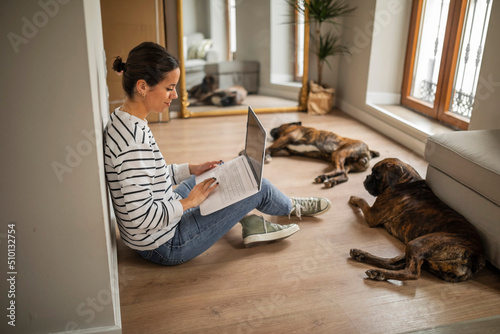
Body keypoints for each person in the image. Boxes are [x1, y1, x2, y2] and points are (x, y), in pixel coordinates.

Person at [104, 42, 331, 266]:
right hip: (165, 244)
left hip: (160, 221)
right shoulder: (133, 142)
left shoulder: (124, 119)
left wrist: (191, 170)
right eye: (169, 87)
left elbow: (150, 176)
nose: (174, 95)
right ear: (142, 86)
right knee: (255, 184)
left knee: (224, 174)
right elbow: (140, 218)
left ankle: (252, 221)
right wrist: (189, 202)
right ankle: (290, 206)